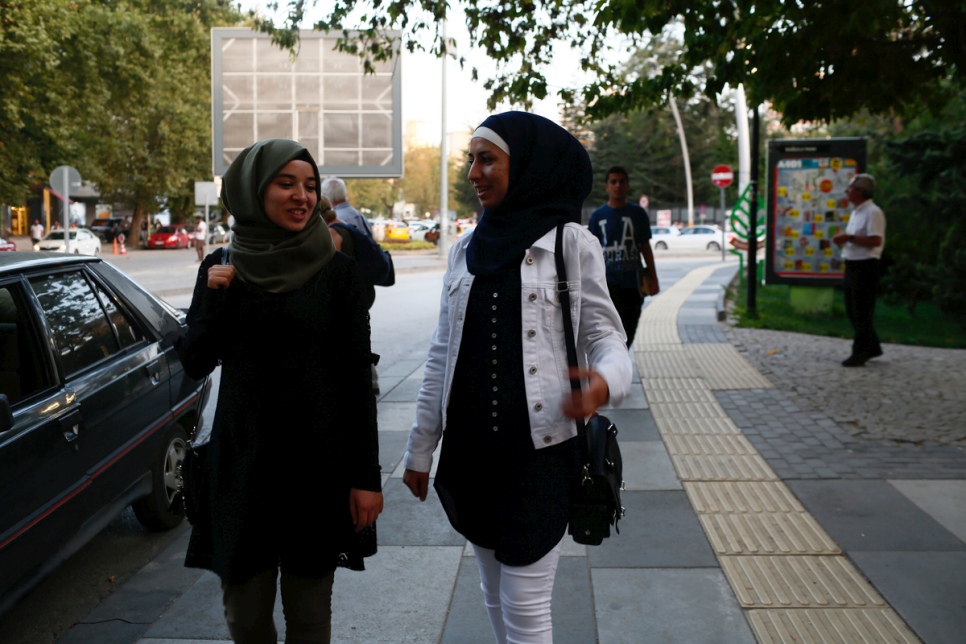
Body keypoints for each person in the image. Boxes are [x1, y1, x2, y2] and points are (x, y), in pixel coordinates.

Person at [402, 112, 632, 644]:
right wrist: (420, 450)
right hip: (471, 453)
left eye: (488, 159)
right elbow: (442, 355)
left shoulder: (571, 243)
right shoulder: (465, 250)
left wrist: (603, 383)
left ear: (526, 165)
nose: (473, 173)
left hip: (539, 454)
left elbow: (605, 337)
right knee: (492, 592)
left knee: (526, 608)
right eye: (471, 160)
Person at [179, 138, 383, 643]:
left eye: (310, 186)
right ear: (251, 191)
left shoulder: (338, 275)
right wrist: (213, 301)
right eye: (286, 183)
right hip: (242, 466)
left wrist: (366, 478)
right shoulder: (222, 269)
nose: (302, 196)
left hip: (315, 469)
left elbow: (357, 380)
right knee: (244, 618)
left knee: (309, 617)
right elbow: (195, 361)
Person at [320, 175, 381, 394]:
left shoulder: (334, 225)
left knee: (346, 336)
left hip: (347, 289)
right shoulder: (357, 215)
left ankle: (361, 381)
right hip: (364, 286)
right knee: (357, 333)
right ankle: (368, 380)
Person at [587, 166, 660, 348]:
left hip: (633, 285)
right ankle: (613, 369)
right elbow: (591, 252)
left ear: (627, 186)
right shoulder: (597, 217)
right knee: (609, 332)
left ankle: (619, 368)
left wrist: (653, 277)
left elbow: (645, 247)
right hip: (607, 285)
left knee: (628, 331)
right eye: (613, 181)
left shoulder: (637, 214)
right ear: (606, 186)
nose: (617, 185)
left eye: (622, 181)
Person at [832, 173, 886, 367]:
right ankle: (872, 346)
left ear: (861, 191)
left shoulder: (873, 212)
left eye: (850, 188)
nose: (847, 191)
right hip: (853, 263)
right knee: (852, 309)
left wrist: (849, 238)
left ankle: (860, 352)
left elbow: (876, 240)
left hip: (866, 265)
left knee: (862, 310)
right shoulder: (857, 212)